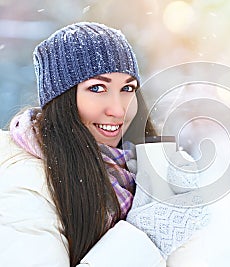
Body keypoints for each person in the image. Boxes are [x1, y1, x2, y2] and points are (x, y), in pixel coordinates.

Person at [0, 22, 208, 267]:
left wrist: (174, 212)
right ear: (62, 99)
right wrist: (147, 235)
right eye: (97, 88)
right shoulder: (24, 183)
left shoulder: (137, 170)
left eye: (127, 88)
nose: (118, 109)